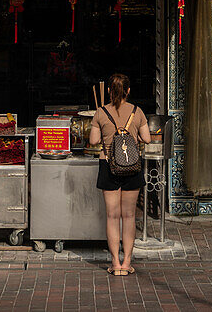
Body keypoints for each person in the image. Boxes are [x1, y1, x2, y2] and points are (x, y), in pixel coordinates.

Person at [88, 73, 151, 277]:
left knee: (112, 216)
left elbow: (94, 140)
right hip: (131, 166)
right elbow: (147, 138)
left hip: (108, 165)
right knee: (129, 215)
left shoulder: (100, 112)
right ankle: (127, 263)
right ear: (128, 91)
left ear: (108, 91)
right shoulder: (137, 111)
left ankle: (114, 263)